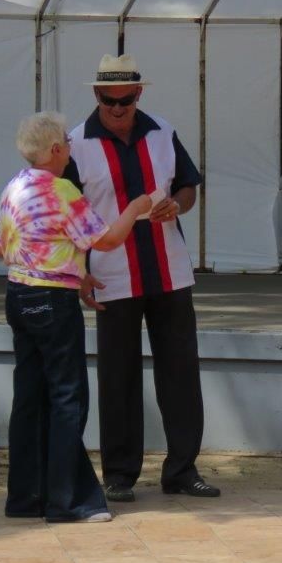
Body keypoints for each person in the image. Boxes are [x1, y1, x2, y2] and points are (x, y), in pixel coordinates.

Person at [65, 54, 219, 502]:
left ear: (139, 94)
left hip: (169, 270)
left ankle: (182, 469)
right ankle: (118, 473)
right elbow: (69, 215)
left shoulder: (163, 132)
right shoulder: (75, 143)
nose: (117, 109)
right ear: (96, 95)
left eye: (126, 100)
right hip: (111, 275)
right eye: (108, 101)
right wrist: (78, 274)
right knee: (118, 376)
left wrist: (179, 204)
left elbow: (189, 183)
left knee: (181, 374)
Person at [0, 112, 151, 522]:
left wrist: (68, 264)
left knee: (29, 396)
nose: (69, 148)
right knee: (68, 399)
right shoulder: (61, 190)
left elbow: (0, 246)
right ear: (55, 150)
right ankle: (66, 500)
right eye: (65, 142)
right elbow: (109, 238)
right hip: (51, 300)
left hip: (18, 293)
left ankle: (25, 496)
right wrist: (136, 206)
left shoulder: (14, 186)